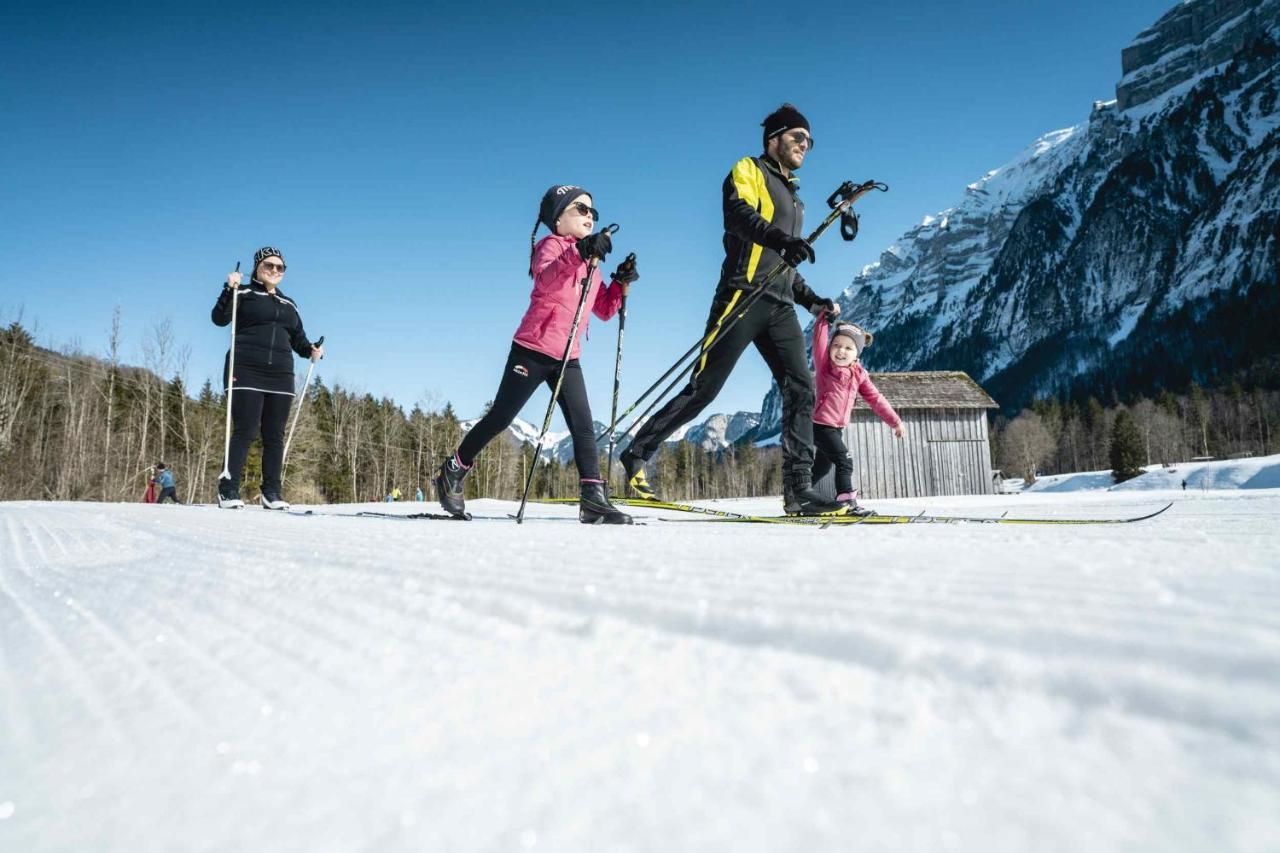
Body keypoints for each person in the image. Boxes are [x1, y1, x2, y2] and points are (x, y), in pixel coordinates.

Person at [617, 104, 847, 515]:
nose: (805, 146)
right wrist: (780, 238)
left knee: (801, 387)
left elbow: (784, 264)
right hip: (742, 296)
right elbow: (738, 215)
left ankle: (798, 490)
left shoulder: (795, 198)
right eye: (798, 137)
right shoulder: (749, 170)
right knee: (704, 390)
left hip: (778, 305)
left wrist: (811, 299)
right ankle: (637, 453)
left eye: (810, 141)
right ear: (774, 138)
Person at [435, 185, 638, 524]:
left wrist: (619, 284)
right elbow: (546, 278)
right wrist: (582, 252)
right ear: (559, 218)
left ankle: (593, 498)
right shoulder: (550, 247)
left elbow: (601, 309)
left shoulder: (591, 262)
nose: (590, 216)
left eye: (593, 212)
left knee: (584, 427)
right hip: (531, 350)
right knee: (501, 417)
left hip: (567, 355)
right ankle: (453, 470)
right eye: (582, 209)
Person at [212, 246, 324, 510]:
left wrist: (311, 350)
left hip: (281, 374)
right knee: (246, 429)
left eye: (280, 267)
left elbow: (298, 339)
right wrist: (229, 289)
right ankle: (228, 489)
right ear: (257, 268)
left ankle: (271, 493)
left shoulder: (289, 304)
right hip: (246, 368)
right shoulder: (244, 292)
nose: (274, 271)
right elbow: (219, 319)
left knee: (275, 435)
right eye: (269, 266)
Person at [809, 314, 904, 515]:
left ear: (857, 354)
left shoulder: (859, 374)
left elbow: (876, 399)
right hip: (821, 426)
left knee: (822, 468)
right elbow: (818, 342)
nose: (841, 351)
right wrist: (822, 319)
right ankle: (847, 503)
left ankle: (799, 496)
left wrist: (895, 421)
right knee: (845, 461)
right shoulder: (825, 366)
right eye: (836, 345)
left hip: (836, 429)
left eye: (848, 347)